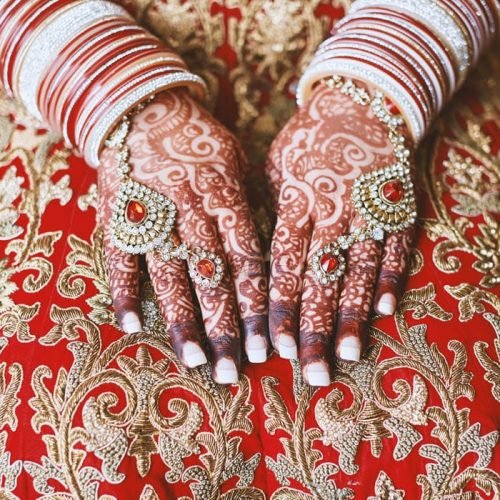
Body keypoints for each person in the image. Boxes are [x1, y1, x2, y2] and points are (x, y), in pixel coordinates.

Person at [0, 1, 498, 498]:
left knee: (464, 415)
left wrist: (371, 86)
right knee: (57, 439)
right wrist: (118, 95)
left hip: (394, 56)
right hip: (77, 54)